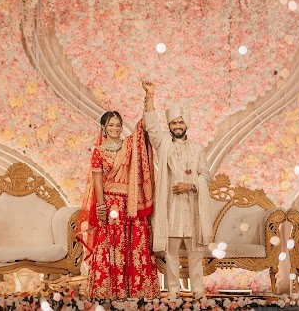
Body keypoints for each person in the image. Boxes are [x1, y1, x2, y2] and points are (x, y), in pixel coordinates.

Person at [142, 81, 214, 299]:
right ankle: (173, 289)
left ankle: (198, 290)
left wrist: (191, 185)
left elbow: (205, 175)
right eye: (173, 123)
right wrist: (150, 96)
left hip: (192, 208)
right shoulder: (163, 144)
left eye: (181, 122)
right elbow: (152, 126)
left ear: (187, 124)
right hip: (171, 207)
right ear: (169, 126)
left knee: (195, 254)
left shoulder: (198, 149)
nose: (177, 126)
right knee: (171, 253)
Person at [78, 110, 160, 299]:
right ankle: (111, 292)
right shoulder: (99, 151)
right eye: (111, 125)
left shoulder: (129, 146)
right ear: (104, 128)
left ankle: (136, 292)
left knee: (133, 246)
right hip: (110, 205)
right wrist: (101, 206)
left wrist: (148, 102)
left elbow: (141, 131)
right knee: (111, 245)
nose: (115, 128)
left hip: (130, 204)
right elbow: (98, 182)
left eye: (118, 125)